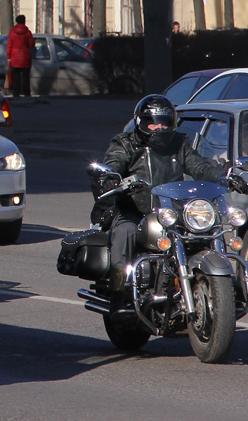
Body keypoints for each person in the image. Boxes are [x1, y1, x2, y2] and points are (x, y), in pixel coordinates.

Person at [95, 94, 240, 292]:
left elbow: (198, 166)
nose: (159, 127)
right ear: (140, 122)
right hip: (135, 211)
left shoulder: (179, 143)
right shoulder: (125, 143)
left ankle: (226, 287)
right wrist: (112, 176)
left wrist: (223, 177)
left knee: (205, 230)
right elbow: (115, 161)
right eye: (152, 122)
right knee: (125, 233)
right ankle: (119, 288)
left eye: (164, 122)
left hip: (172, 211)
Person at [6, 15, 35, 97]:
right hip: (25, 56)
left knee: (15, 76)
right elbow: (32, 43)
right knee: (25, 76)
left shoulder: (12, 32)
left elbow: (9, 46)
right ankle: (26, 92)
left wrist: (8, 56)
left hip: (14, 57)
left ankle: (16, 92)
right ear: (24, 21)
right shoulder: (27, 32)